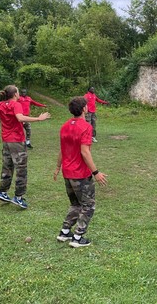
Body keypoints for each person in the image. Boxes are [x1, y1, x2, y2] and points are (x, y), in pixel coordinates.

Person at [0, 85, 51, 209]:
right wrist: (39, 118)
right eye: (18, 92)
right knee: (21, 169)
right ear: (15, 94)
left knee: (7, 166)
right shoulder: (16, 104)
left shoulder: (0, 105)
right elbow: (20, 118)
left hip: (6, 141)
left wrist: (4, 117)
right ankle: (18, 197)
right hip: (17, 141)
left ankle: (3, 192)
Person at [54, 96, 108, 247]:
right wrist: (96, 172)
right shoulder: (86, 127)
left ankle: (64, 232)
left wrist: (58, 167)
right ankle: (78, 237)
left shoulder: (64, 126)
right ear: (84, 109)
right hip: (80, 175)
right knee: (88, 205)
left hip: (67, 173)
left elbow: (62, 150)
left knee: (76, 204)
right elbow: (85, 152)